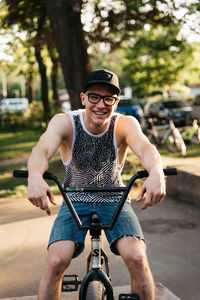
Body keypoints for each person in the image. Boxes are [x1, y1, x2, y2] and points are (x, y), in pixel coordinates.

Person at [27, 69, 166, 300]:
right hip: (74, 200)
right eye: (94, 97)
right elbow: (41, 150)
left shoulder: (124, 124)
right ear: (83, 98)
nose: (101, 105)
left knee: (138, 259)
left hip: (115, 199)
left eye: (108, 98)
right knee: (55, 262)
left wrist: (156, 173)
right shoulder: (65, 123)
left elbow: (146, 149)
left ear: (116, 101)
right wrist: (34, 177)